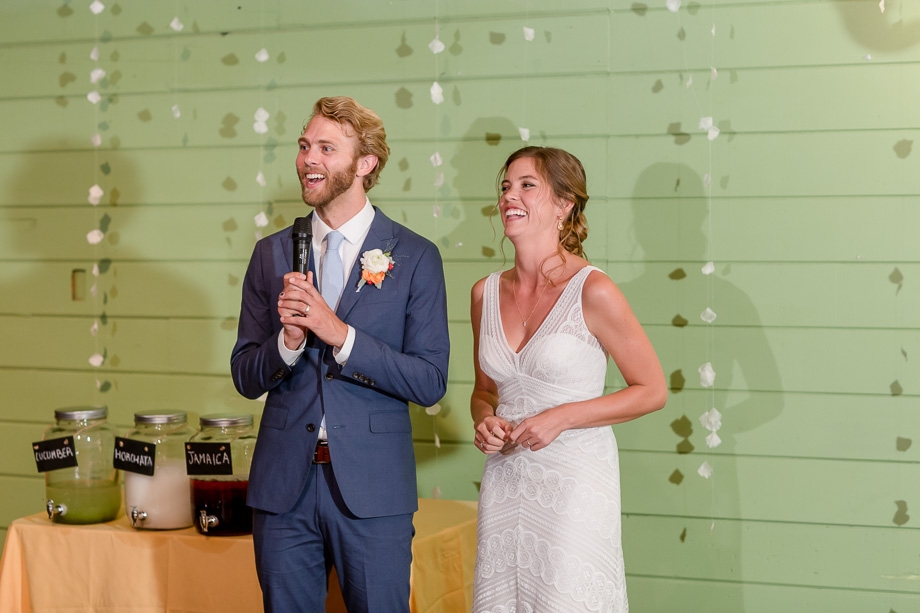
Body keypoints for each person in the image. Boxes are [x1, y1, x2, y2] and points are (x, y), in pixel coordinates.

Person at [230, 96, 450, 612]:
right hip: (282, 491)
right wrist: (285, 346)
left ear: (365, 163)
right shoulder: (271, 253)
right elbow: (245, 373)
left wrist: (339, 334)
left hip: (373, 491)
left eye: (327, 148)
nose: (310, 159)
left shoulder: (415, 256)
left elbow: (429, 379)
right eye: (305, 146)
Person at [469, 146, 667, 612]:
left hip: (575, 482)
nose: (508, 197)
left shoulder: (594, 289)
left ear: (564, 205)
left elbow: (653, 390)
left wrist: (563, 417)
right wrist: (484, 420)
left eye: (526, 185)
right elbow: (484, 391)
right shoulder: (484, 293)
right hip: (504, 483)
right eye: (505, 186)